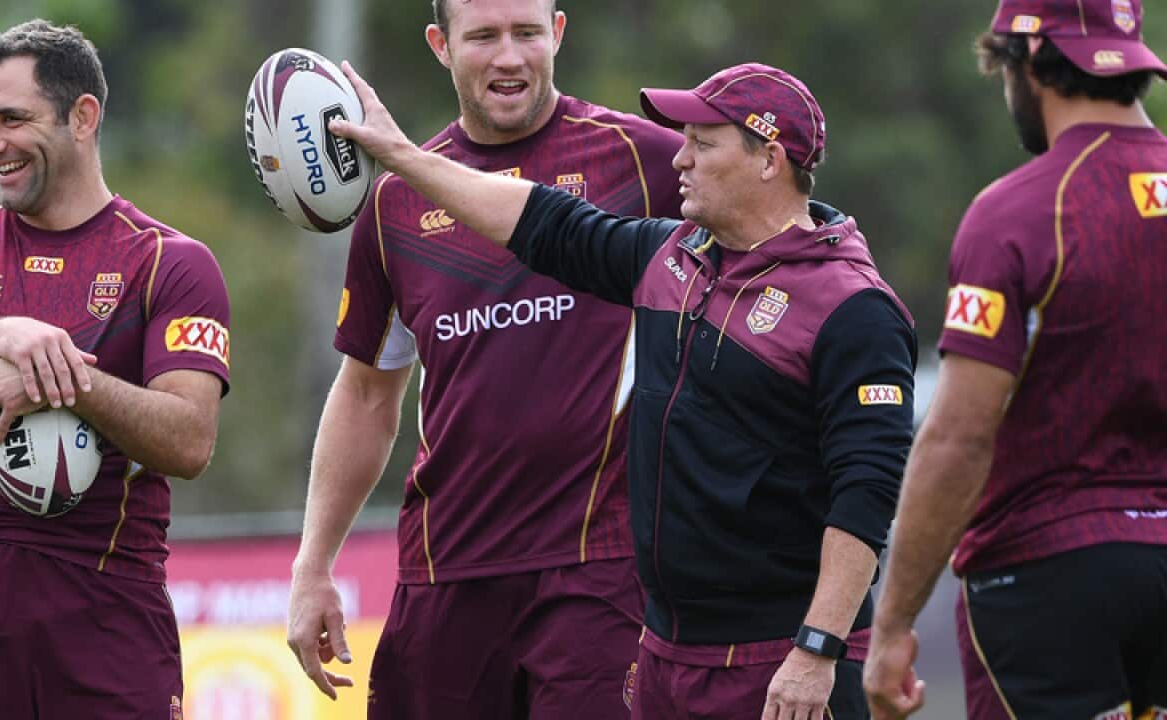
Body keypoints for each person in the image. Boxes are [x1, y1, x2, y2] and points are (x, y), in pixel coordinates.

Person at [326, 56, 917, 719]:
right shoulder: (672, 259)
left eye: (702, 143)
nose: (679, 161)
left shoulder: (855, 310)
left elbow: (866, 496)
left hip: (780, 660)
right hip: (666, 655)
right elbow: (541, 221)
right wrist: (403, 156)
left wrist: (817, 649)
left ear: (768, 159)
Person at [283, 0, 683, 717]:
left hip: (601, 571)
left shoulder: (648, 159)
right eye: (484, 37)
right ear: (441, 44)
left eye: (527, 33)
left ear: (557, 34)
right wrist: (313, 565)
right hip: (446, 572)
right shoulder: (395, 202)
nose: (509, 57)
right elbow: (369, 395)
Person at [0, 19, 230, 720]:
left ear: (83, 116)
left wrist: (59, 378)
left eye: (14, 119)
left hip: (110, 599)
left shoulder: (172, 263)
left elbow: (190, 440)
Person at [863, 1, 1167, 718]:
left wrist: (893, 623)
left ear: (1030, 63)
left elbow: (958, 438)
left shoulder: (1022, 211)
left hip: (1049, 576)